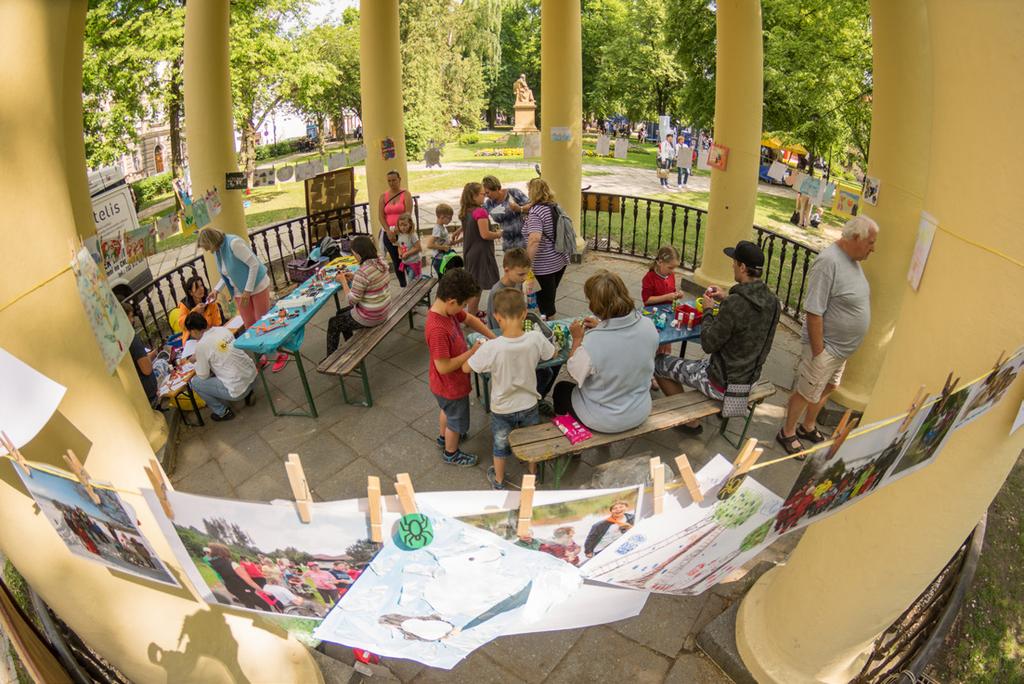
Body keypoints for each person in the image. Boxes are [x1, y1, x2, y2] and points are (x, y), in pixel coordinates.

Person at [654, 240, 781, 434]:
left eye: (734, 262)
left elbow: (708, 343)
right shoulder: (773, 302)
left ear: (743, 267)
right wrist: (726, 299)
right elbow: (746, 320)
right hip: (750, 378)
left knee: (657, 363)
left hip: (722, 383)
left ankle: (690, 422)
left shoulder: (735, 304)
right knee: (700, 363)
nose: (732, 266)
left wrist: (708, 311)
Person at [777, 216, 878, 454]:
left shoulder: (852, 260)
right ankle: (787, 431)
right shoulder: (828, 262)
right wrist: (818, 351)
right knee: (805, 391)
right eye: (870, 242)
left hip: (840, 350)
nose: (873, 248)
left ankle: (807, 426)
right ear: (855, 238)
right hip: (826, 348)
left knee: (827, 387)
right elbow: (814, 310)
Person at [466, 288, 556, 489]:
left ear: (497, 317)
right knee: (532, 443)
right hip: (529, 404)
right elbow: (551, 354)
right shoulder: (535, 338)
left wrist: (475, 350)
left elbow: (467, 367)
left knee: (500, 447)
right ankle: (533, 476)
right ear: (525, 313)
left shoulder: (492, 347)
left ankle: (499, 481)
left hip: (502, 409)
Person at [553, 271, 659, 433]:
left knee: (561, 390)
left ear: (595, 306)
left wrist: (577, 339)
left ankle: (574, 446)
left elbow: (573, 370)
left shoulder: (593, 342)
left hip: (605, 419)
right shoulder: (648, 325)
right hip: (640, 409)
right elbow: (624, 346)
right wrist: (603, 325)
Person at [426, 268, 497, 467]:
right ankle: (451, 452)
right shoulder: (438, 328)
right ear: (451, 301)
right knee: (456, 420)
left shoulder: (447, 312)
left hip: (443, 386)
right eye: (463, 304)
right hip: (450, 386)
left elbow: (471, 319)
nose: (464, 308)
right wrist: (473, 351)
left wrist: (493, 337)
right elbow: (444, 366)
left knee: (447, 413)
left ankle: (443, 437)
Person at [197, 227, 287, 372]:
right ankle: (261, 356)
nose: (207, 250)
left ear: (212, 242)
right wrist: (216, 290)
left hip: (257, 285)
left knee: (263, 321)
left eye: (206, 247)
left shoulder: (234, 243)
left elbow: (254, 264)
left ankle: (280, 354)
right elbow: (227, 273)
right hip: (240, 290)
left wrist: (248, 290)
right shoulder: (218, 251)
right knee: (250, 325)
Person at [485, 248, 560, 407]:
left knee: (554, 362)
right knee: (546, 370)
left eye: (526, 273)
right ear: (507, 270)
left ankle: (535, 398)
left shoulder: (517, 284)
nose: (525, 278)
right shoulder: (496, 293)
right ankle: (533, 401)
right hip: (508, 345)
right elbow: (494, 330)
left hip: (520, 337)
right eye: (521, 274)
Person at [325, 235, 392, 355]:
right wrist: (355, 276)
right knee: (340, 314)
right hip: (383, 309)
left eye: (353, 254)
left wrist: (344, 282)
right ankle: (349, 344)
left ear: (359, 254)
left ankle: (330, 359)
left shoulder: (363, 272)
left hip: (372, 316)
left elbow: (352, 300)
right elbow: (371, 279)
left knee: (333, 323)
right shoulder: (381, 262)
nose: (354, 256)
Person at [185, 312, 257, 422]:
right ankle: (248, 393)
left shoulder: (201, 345)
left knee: (195, 382)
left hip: (238, 389)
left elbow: (203, 375)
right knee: (226, 366)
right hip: (252, 377)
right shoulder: (221, 329)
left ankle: (222, 412)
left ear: (193, 331)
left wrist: (198, 360)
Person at [523, 178, 570, 319]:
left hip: (544, 265)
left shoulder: (536, 212)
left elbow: (534, 239)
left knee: (546, 305)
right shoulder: (554, 206)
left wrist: (526, 263)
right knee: (549, 297)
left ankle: (550, 331)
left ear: (532, 192)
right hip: (559, 260)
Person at [459, 181, 501, 316]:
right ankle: (471, 315)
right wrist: (499, 234)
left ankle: (472, 311)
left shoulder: (466, 211)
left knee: (474, 283)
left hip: (470, 250)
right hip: (481, 253)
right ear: (474, 196)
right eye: (482, 194)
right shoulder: (480, 212)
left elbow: (469, 229)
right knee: (477, 286)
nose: (485, 197)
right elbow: (485, 234)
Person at [641, 246, 688, 355]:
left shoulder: (670, 275)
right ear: (660, 262)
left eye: (674, 268)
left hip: (668, 316)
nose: (672, 271)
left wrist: (677, 295)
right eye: (670, 267)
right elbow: (647, 300)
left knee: (666, 345)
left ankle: (664, 366)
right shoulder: (649, 278)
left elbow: (672, 291)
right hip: (653, 317)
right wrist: (667, 297)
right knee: (655, 347)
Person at [377, 170, 414, 288]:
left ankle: (413, 284)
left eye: (394, 180)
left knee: (407, 258)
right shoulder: (383, 196)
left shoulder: (406, 194)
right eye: (389, 181)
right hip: (389, 233)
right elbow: (381, 216)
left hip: (403, 232)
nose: (392, 183)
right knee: (396, 261)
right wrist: (388, 231)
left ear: (399, 179)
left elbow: (408, 214)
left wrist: (397, 229)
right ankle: (403, 286)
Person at [206, 543, 266, 611]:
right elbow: (248, 580)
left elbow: (224, 577)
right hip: (244, 589)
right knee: (265, 605)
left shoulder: (214, 565)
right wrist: (262, 591)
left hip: (233, 589)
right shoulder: (232, 564)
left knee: (250, 606)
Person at [122, 304, 160, 408]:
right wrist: (152, 355)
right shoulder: (131, 339)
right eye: (131, 316)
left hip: (133, 395)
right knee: (162, 363)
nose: (133, 320)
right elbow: (146, 369)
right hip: (149, 394)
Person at [482, 175, 531, 251]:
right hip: (507, 243)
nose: (487, 196)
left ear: (497, 188)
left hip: (524, 241)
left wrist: (520, 209)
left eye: (488, 192)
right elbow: (477, 216)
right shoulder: (489, 204)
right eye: (485, 194)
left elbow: (532, 207)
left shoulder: (514, 193)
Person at [176, 276, 224, 343]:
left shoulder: (209, 300)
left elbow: (217, 323)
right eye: (197, 287)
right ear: (190, 292)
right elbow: (181, 325)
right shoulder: (185, 304)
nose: (201, 289)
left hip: (210, 335)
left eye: (201, 286)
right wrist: (194, 311)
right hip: (193, 339)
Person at [427, 203, 463, 276]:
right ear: (442, 217)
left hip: (443, 258)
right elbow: (429, 245)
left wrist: (453, 242)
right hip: (439, 260)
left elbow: (442, 241)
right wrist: (443, 247)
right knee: (445, 280)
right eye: (449, 218)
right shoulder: (438, 229)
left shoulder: (442, 227)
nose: (451, 220)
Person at [394, 212, 423, 280]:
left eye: (405, 225)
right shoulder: (400, 234)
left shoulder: (412, 235)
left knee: (412, 281)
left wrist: (407, 253)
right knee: (413, 280)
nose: (403, 227)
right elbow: (399, 246)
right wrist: (400, 253)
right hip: (406, 262)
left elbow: (418, 248)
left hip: (414, 262)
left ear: (410, 224)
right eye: (401, 225)